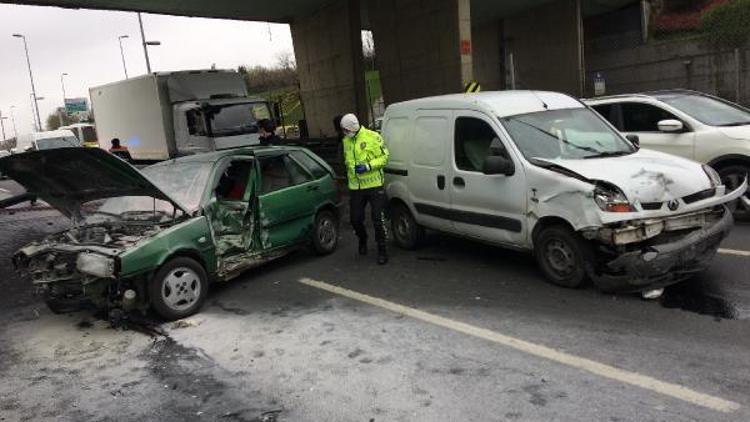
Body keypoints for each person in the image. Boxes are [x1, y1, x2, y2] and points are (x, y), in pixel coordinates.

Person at [340, 113, 390, 265]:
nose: (344, 132)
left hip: (374, 185)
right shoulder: (345, 141)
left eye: (345, 130)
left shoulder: (373, 137)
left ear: (351, 128)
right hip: (356, 188)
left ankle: (382, 250)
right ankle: (363, 239)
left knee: (377, 220)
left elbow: (385, 157)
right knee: (355, 219)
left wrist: (368, 166)